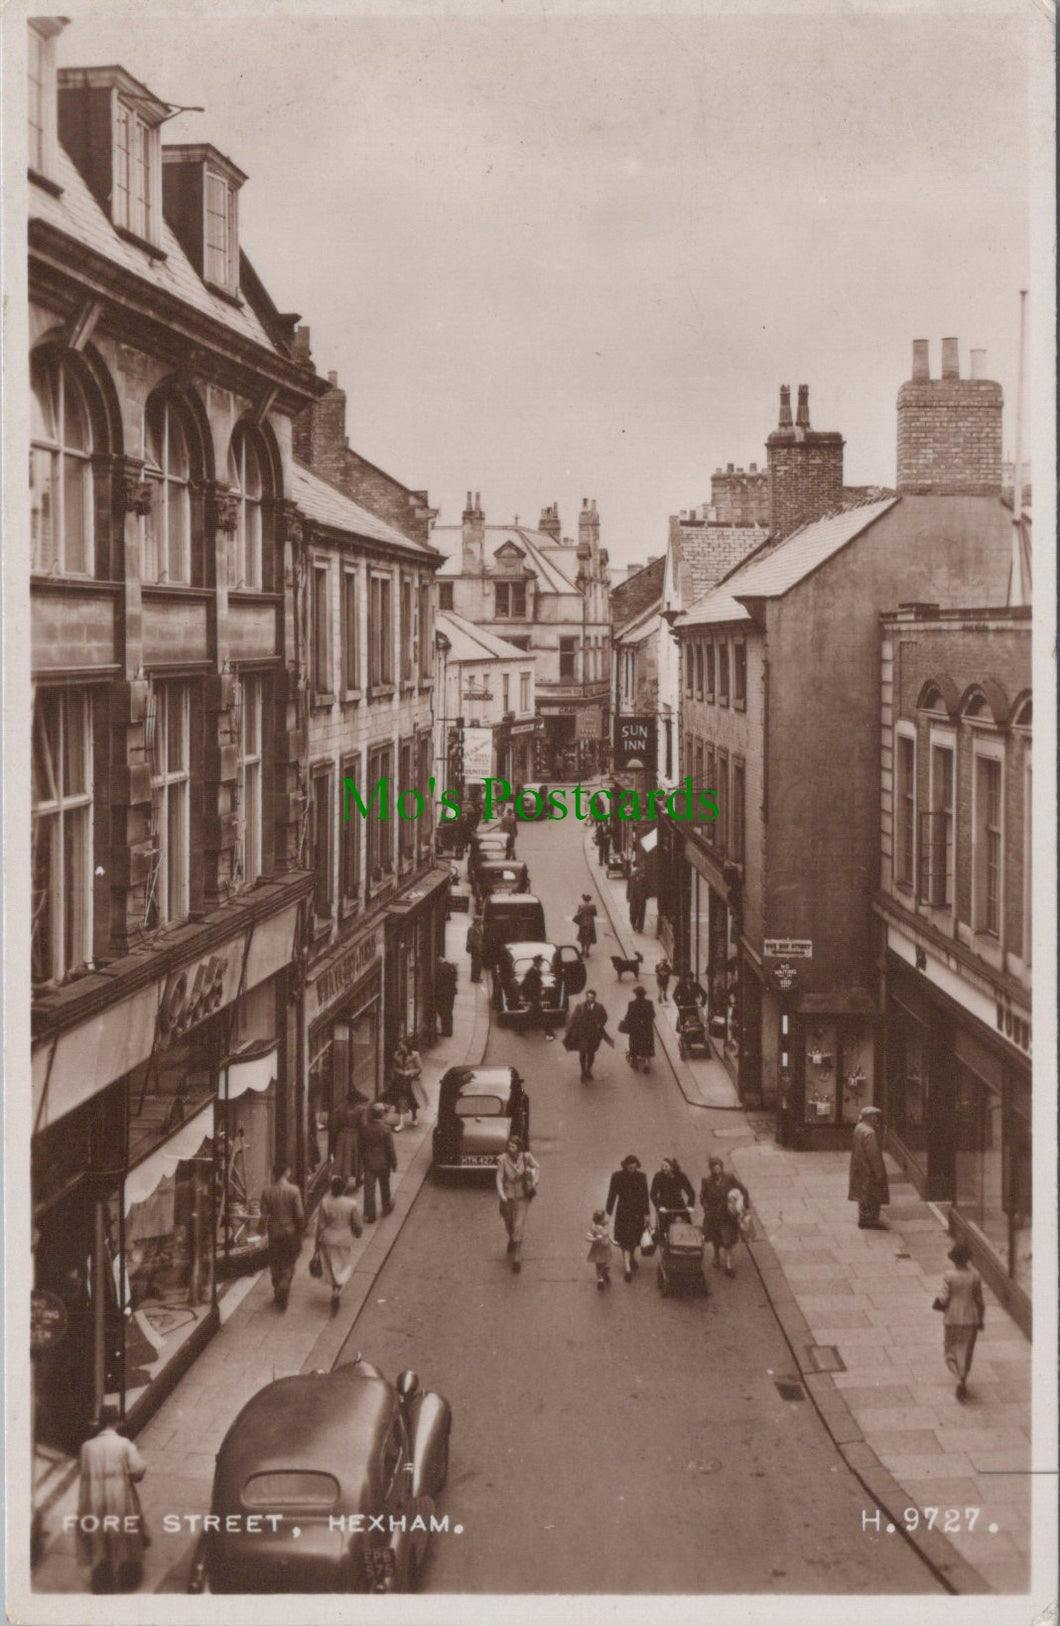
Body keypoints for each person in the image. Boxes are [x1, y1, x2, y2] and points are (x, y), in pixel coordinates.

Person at [76, 1406, 148, 1593]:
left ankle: (103, 1574)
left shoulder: (87, 1447)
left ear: (101, 1423)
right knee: (122, 1532)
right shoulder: (124, 1444)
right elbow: (137, 1470)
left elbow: (83, 1473)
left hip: (94, 1496)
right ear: (116, 1422)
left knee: (99, 1534)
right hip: (119, 1495)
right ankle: (124, 1574)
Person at [932, 1241, 986, 1402]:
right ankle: (963, 1377)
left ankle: (958, 1378)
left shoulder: (949, 1276)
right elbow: (979, 1301)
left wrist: (937, 1303)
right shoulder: (975, 1276)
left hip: (953, 1318)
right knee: (966, 1352)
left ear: (954, 1259)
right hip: (971, 1318)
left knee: (950, 1350)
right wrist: (980, 1319)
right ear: (967, 1259)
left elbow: (944, 1298)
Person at [314, 1173, 363, 1312]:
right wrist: (358, 1232)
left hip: (328, 1238)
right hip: (344, 1239)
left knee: (332, 1266)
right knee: (343, 1266)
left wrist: (316, 1243)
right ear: (344, 1189)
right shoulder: (351, 1204)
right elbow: (356, 1224)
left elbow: (320, 1225)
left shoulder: (325, 1202)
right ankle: (337, 1289)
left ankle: (334, 1288)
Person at [260, 1160, 305, 1309]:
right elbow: (299, 1214)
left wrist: (261, 1231)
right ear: (287, 1172)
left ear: (274, 1174)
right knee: (289, 1263)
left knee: (275, 1263)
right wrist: (300, 1231)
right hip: (290, 1232)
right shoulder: (294, 1191)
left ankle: (277, 1291)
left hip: (274, 1232)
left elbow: (263, 1216)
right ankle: (284, 1285)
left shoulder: (267, 1191)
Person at [700, 1156, 750, 1277]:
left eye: (719, 1168)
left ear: (722, 1167)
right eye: (714, 1168)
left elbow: (743, 1190)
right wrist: (706, 1208)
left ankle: (728, 1265)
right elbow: (703, 1197)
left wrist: (744, 1206)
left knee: (728, 1241)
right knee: (715, 1238)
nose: (717, 1170)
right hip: (713, 1215)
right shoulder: (706, 1181)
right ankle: (716, 1255)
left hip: (727, 1215)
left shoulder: (729, 1178)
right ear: (711, 1169)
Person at [496, 1135, 539, 1273]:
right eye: (508, 1146)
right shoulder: (502, 1159)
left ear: (519, 1148)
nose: (510, 1149)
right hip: (507, 1198)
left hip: (522, 1197)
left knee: (518, 1226)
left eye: (513, 1146)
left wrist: (534, 1182)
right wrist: (502, 1195)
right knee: (509, 1224)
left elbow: (537, 1167)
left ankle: (517, 1258)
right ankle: (511, 1238)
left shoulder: (526, 1157)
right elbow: (499, 1178)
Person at [606, 1154, 651, 1282]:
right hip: (623, 1212)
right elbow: (612, 1195)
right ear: (625, 1166)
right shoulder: (617, 1176)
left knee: (634, 1239)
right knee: (625, 1239)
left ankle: (631, 1257)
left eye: (634, 1168)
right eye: (630, 1167)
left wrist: (647, 1214)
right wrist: (608, 1213)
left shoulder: (641, 1177)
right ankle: (627, 1269)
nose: (632, 1170)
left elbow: (645, 1196)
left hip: (637, 1213)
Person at [848, 1104, 890, 1229]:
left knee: (863, 1193)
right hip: (868, 1169)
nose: (876, 1119)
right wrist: (879, 1173)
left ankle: (863, 1217)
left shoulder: (859, 1127)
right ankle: (870, 1220)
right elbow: (874, 1155)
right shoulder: (870, 1133)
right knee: (872, 1194)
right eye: (875, 1117)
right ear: (870, 1117)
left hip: (859, 1166)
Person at [563, 989, 613, 1080]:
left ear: (594, 998)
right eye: (588, 997)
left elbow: (604, 1017)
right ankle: (583, 1072)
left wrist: (600, 1024)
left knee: (591, 1053)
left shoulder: (599, 1007)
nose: (589, 999)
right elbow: (573, 1019)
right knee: (582, 1053)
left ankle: (588, 1070)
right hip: (583, 1035)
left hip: (594, 1035)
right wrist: (569, 1031)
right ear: (586, 997)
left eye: (591, 997)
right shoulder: (580, 1007)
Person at [360, 1102, 397, 1222]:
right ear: (381, 1114)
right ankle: (386, 1207)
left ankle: (370, 1214)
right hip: (383, 1162)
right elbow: (390, 1149)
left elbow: (361, 1146)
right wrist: (394, 1163)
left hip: (369, 1162)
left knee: (369, 1188)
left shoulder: (365, 1128)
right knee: (385, 1186)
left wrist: (362, 1161)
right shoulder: (386, 1129)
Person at [329, 1089, 369, 1187]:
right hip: (355, 1135)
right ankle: (358, 1179)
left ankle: (344, 1179)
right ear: (357, 1100)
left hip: (342, 1136)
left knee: (343, 1157)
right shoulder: (361, 1110)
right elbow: (363, 1125)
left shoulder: (340, 1108)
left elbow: (335, 1124)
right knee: (357, 1157)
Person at [649, 1156, 695, 1240]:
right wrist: (659, 1207)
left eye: (666, 1166)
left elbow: (691, 1193)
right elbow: (653, 1194)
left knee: (686, 1227)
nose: (663, 1168)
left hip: (679, 1205)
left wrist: (690, 1206)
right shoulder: (658, 1176)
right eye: (662, 1166)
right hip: (664, 1206)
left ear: (672, 1168)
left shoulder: (681, 1176)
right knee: (663, 1230)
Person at [619, 985, 656, 1073]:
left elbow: (628, 1017)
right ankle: (646, 1063)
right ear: (644, 994)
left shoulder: (631, 1004)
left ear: (635, 994)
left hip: (635, 1029)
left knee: (634, 1044)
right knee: (647, 1045)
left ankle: (634, 1062)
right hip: (646, 1028)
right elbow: (653, 1015)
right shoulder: (649, 1003)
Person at [388, 1039, 422, 1131]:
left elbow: (419, 1068)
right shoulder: (396, 1055)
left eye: (402, 1046)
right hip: (400, 1081)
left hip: (412, 1082)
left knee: (413, 1101)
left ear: (407, 1046)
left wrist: (409, 1072)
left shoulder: (415, 1055)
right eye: (399, 1046)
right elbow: (394, 1068)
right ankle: (401, 1123)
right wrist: (401, 1072)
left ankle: (414, 1116)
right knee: (401, 1100)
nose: (400, 1047)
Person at [521, 954, 555, 1041]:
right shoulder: (530, 972)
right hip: (533, 997)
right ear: (535, 963)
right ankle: (549, 1033)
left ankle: (520, 1029)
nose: (541, 964)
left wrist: (541, 989)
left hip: (536, 996)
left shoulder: (538, 971)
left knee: (530, 1014)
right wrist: (527, 998)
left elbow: (538, 983)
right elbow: (524, 985)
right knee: (542, 1015)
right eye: (539, 963)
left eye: (541, 963)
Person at [586, 1209, 613, 1290]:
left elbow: (609, 1235)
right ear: (599, 1220)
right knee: (598, 1264)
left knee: (606, 1263)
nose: (605, 1220)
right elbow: (588, 1237)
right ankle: (600, 1279)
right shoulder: (594, 1228)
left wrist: (613, 1241)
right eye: (603, 1218)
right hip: (598, 1250)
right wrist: (595, 1239)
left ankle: (604, 1272)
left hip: (606, 1249)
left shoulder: (605, 1226)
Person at [435, 957, 459, 1037]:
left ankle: (446, 1031)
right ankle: (449, 1031)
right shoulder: (451, 966)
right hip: (451, 992)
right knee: (449, 1011)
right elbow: (455, 978)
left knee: (444, 1011)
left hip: (444, 993)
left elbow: (438, 982)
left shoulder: (440, 968)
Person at [574, 894, 598, 958]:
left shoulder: (581, 906)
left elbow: (578, 913)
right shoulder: (593, 906)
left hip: (582, 923)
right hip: (590, 924)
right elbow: (595, 914)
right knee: (589, 938)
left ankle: (582, 950)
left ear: (584, 899)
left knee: (582, 937)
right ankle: (587, 951)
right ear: (589, 900)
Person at [628, 868, 650, 933]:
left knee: (641, 913)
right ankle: (633, 923)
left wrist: (646, 895)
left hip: (641, 898)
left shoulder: (644, 878)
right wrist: (628, 896)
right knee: (633, 912)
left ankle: (640, 927)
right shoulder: (631, 877)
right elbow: (629, 888)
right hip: (633, 898)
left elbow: (647, 887)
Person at [466, 916, 483, 983]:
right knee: (476, 963)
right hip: (475, 948)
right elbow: (472, 940)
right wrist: (478, 947)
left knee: (478, 963)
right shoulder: (472, 929)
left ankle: (477, 977)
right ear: (477, 921)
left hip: (478, 948)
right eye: (480, 921)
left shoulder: (478, 928)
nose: (481, 922)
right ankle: (474, 978)